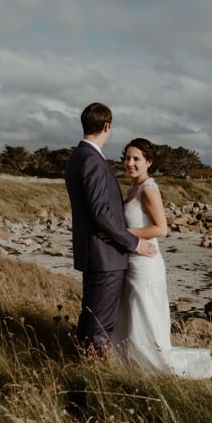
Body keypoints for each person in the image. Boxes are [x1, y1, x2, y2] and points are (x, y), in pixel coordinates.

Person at [111, 138, 212, 379]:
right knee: (132, 316)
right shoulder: (131, 189)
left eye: (136, 159)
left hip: (146, 264)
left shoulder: (148, 189)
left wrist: (121, 235)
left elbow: (161, 229)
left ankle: (155, 368)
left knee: (145, 315)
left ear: (149, 162)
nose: (130, 163)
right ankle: (132, 365)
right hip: (133, 260)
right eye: (127, 158)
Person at [65, 103, 157, 355]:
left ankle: (80, 362)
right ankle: (94, 376)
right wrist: (135, 243)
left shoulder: (77, 157)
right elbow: (100, 212)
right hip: (106, 257)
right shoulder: (92, 160)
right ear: (107, 126)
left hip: (92, 253)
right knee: (100, 327)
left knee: (89, 318)